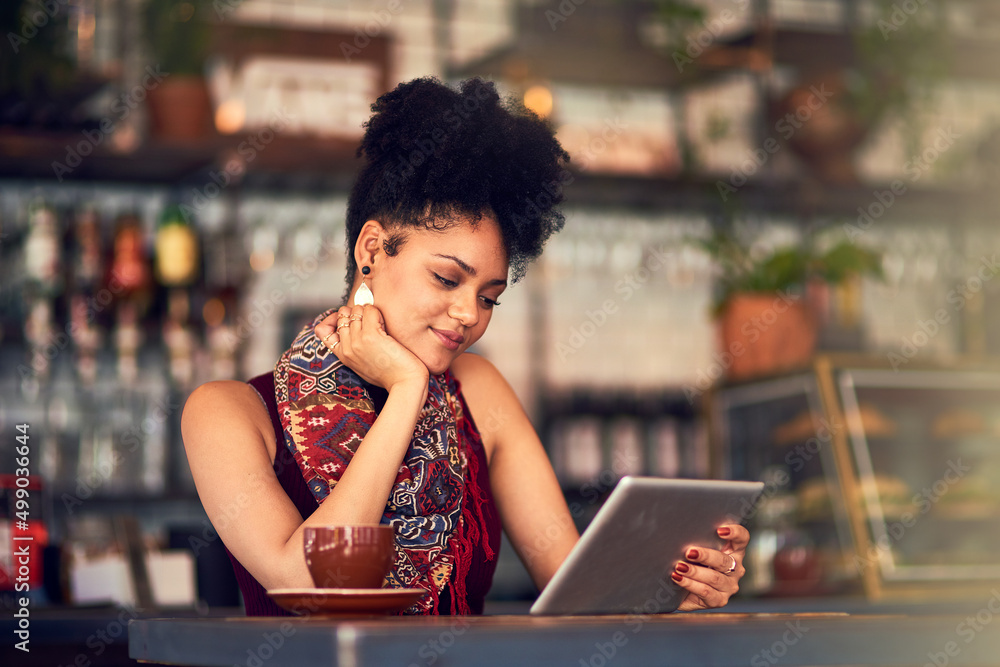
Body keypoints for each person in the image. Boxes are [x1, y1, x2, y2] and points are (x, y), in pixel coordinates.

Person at [181, 77, 749, 616]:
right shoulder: (227, 412)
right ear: (372, 249)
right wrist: (406, 391)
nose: (468, 316)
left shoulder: (479, 392)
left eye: (489, 298)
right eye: (448, 279)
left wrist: (678, 596)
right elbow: (306, 584)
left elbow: (583, 601)